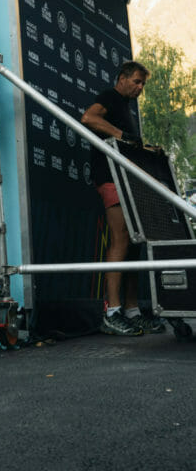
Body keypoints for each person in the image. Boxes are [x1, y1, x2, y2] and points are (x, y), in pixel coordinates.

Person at [81, 60, 164, 336]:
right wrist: (122, 136)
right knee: (121, 240)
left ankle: (132, 311)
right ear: (122, 78)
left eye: (143, 84)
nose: (140, 88)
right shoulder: (110, 97)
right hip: (110, 177)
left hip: (127, 180)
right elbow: (88, 118)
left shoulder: (125, 107)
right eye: (137, 82)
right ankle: (112, 312)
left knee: (134, 243)